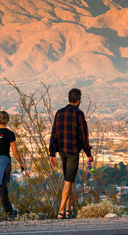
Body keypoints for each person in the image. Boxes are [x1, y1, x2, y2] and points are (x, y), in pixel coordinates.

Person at [49, 87, 93, 219]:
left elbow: (54, 133)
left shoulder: (59, 113)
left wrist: (52, 152)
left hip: (62, 151)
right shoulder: (79, 114)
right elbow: (83, 136)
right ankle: (61, 211)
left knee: (69, 179)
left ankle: (68, 210)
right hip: (73, 151)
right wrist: (88, 153)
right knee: (68, 181)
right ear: (78, 101)